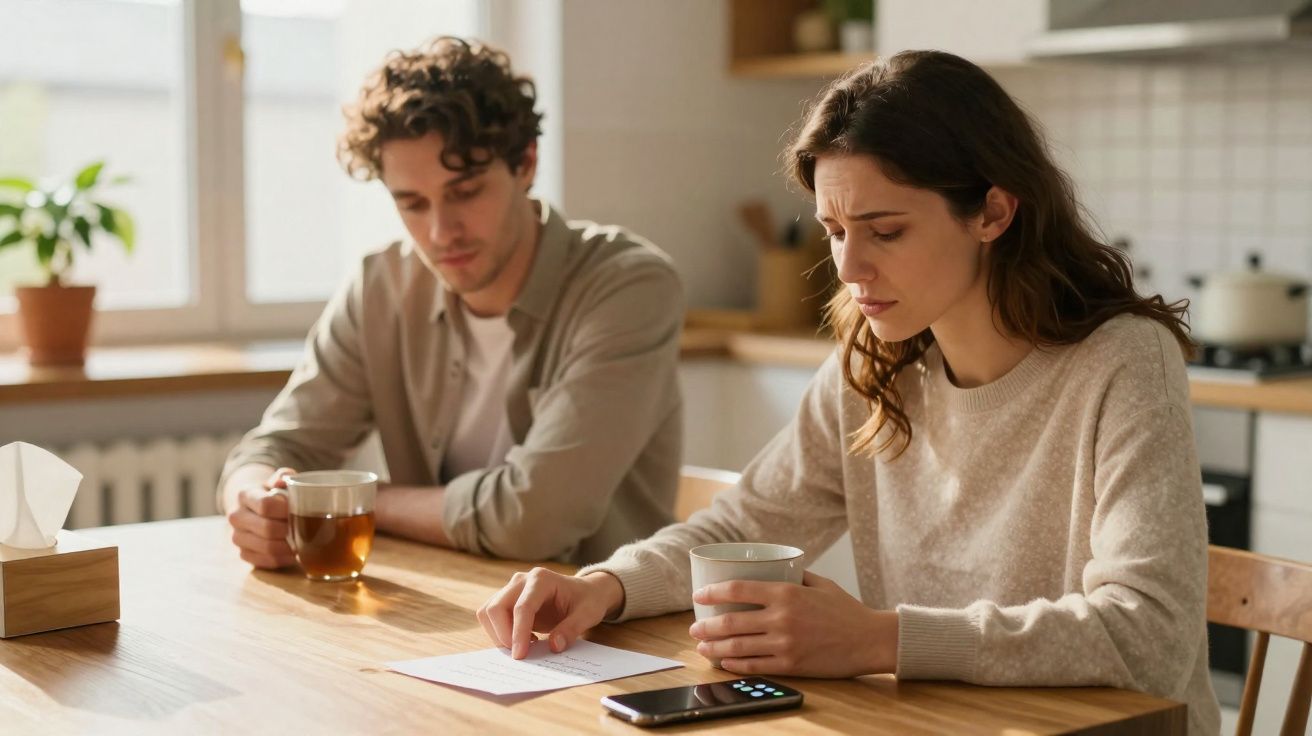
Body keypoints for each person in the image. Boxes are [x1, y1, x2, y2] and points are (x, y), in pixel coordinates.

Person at [476, 50, 1221, 735]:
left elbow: (1146, 635)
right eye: (833, 230)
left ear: (994, 212)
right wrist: (603, 586)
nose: (850, 267)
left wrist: (877, 637)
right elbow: (740, 526)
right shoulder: (874, 362)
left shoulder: (1122, 362)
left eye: (885, 230)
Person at [218, 37, 684, 568]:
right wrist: (256, 503)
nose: (441, 232)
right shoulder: (382, 286)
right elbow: (272, 450)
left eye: (465, 192)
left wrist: (354, 502)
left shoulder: (628, 287)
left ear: (526, 163)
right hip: (444, 609)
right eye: (412, 203)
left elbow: (534, 519)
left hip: (605, 631)